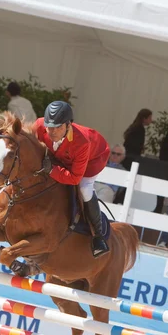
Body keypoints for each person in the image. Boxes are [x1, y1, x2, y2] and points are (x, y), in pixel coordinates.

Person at [35, 101, 110, 258]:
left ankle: (98, 235)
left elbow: (75, 178)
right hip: (65, 154)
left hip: (94, 158)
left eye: (58, 127)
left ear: (68, 125)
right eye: (49, 127)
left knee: (84, 187)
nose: (52, 132)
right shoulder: (39, 126)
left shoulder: (82, 142)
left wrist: (53, 170)